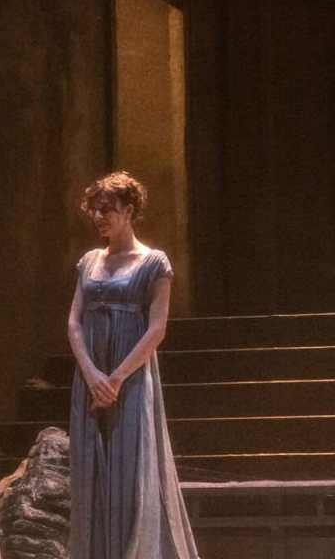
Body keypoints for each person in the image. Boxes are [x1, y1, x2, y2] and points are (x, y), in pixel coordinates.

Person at [67, 171, 198, 558]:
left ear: (128, 210)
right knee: (90, 474)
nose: (99, 216)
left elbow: (157, 329)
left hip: (131, 377)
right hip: (90, 377)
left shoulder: (154, 262)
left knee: (130, 471)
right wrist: (92, 375)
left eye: (107, 208)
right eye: (95, 209)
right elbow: (73, 322)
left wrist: (116, 379)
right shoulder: (88, 261)